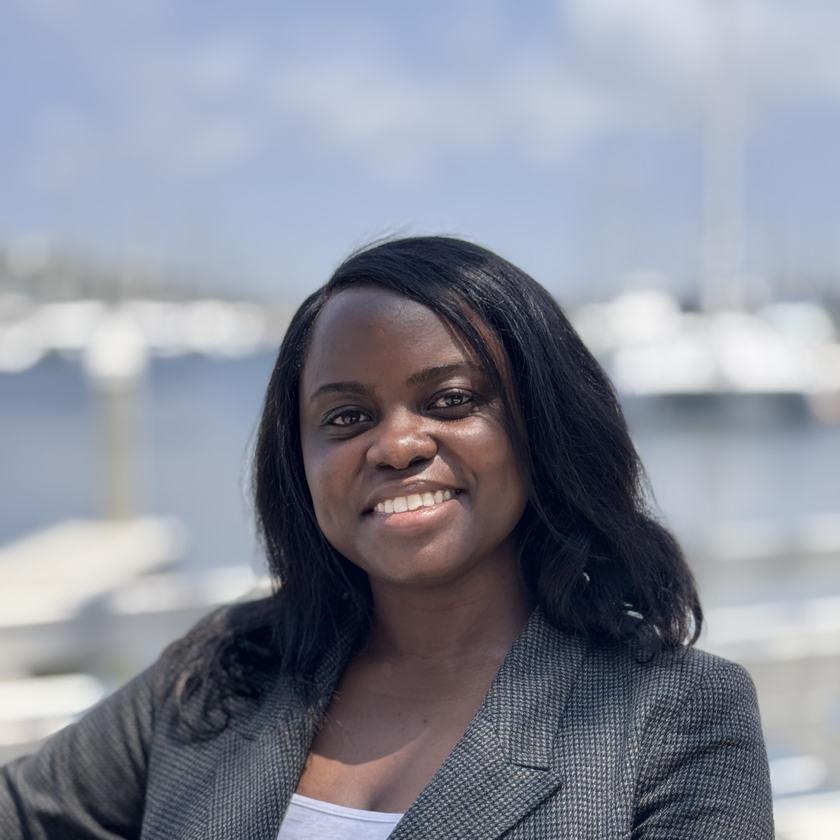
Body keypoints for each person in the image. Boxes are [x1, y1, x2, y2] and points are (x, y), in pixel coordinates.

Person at [0, 236, 773, 839]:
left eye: (450, 399)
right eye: (347, 417)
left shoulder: (677, 714)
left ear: (545, 426)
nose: (397, 444)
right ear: (298, 464)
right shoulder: (223, 670)